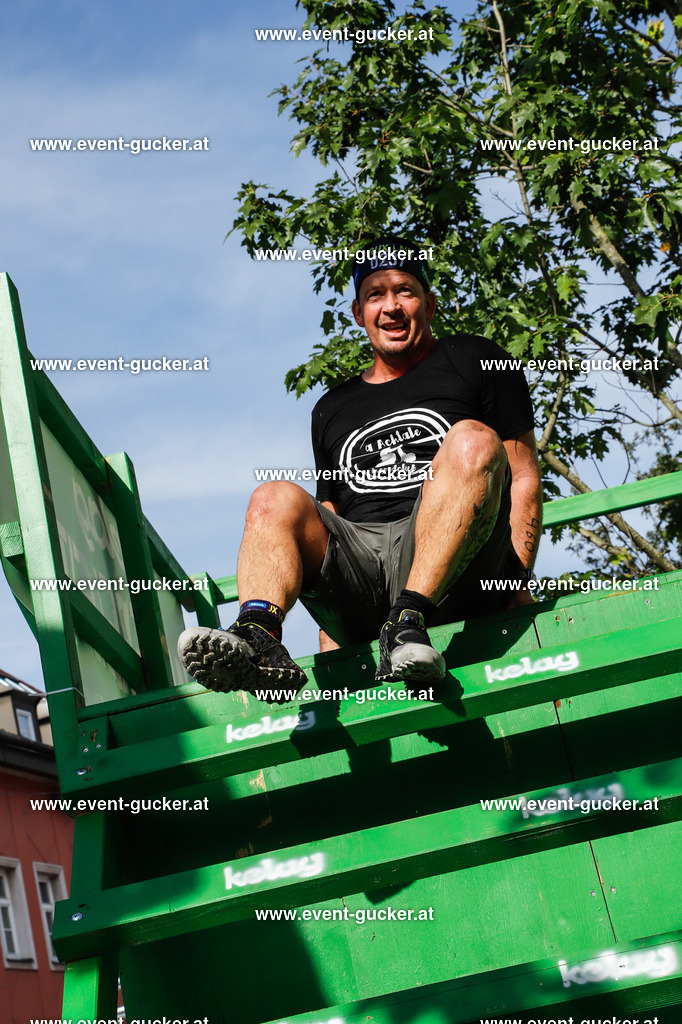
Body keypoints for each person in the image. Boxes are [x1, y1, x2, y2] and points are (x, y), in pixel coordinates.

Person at [177, 238, 542, 700]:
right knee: (271, 496)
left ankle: (408, 620)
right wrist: (332, 639)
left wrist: (513, 583)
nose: (391, 307)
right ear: (358, 312)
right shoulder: (331, 409)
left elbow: (523, 475)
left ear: (428, 303)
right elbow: (328, 520)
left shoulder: (473, 359)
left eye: (404, 291)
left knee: (472, 440)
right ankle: (258, 639)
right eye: (376, 295)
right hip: (363, 570)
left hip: (454, 565)